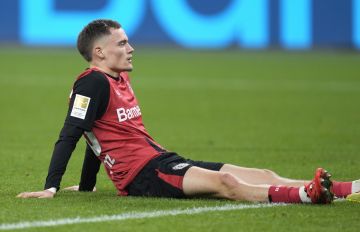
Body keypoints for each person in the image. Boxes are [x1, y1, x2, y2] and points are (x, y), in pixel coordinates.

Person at [17, 19, 360, 203]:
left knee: (262, 172)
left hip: (160, 159)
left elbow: (97, 135)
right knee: (226, 183)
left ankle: (345, 189)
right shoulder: (91, 84)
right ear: (99, 52)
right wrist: (51, 186)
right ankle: (305, 195)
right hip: (143, 176)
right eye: (122, 43)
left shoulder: (117, 78)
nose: (131, 48)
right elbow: (73, 133)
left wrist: (89, 185)